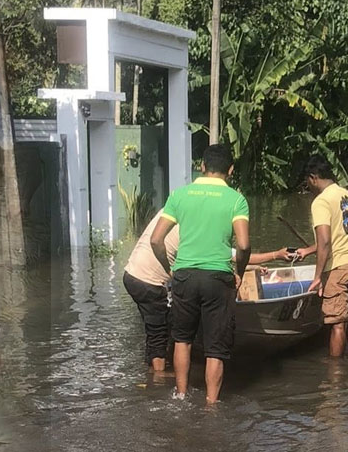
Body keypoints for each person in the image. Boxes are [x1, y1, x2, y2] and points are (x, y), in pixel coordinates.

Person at [126, 211, 295, 373]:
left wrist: (252, 267)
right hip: (149, 281)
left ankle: (154, 369)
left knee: (159, 328)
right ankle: (159, 377)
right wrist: (276, 254)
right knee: (159, 333)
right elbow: (234, 255)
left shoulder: (175, 212)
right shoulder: (198, 226)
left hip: (132, 274)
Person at [150, 144, 250, 404]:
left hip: (185, 275)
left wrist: (170, 270)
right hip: (218, 277)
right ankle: (211, 404)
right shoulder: (236, 200)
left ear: (202, 167)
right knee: (216, 347)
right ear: (230, 170)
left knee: (182, 339)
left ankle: (181, 395)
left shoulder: (180, 195)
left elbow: (156, 239)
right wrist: (238, 270)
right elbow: (243, 244)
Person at [295, 155, 348, 356]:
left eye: (307, 182)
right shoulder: (344, 194)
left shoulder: (321, 201)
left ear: (313, 177)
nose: (307, 186)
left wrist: (318, 276)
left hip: (338, 267)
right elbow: (339, 233)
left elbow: (325, 240)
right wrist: (309, 250)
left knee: (337, 323)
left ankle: (334, 380)